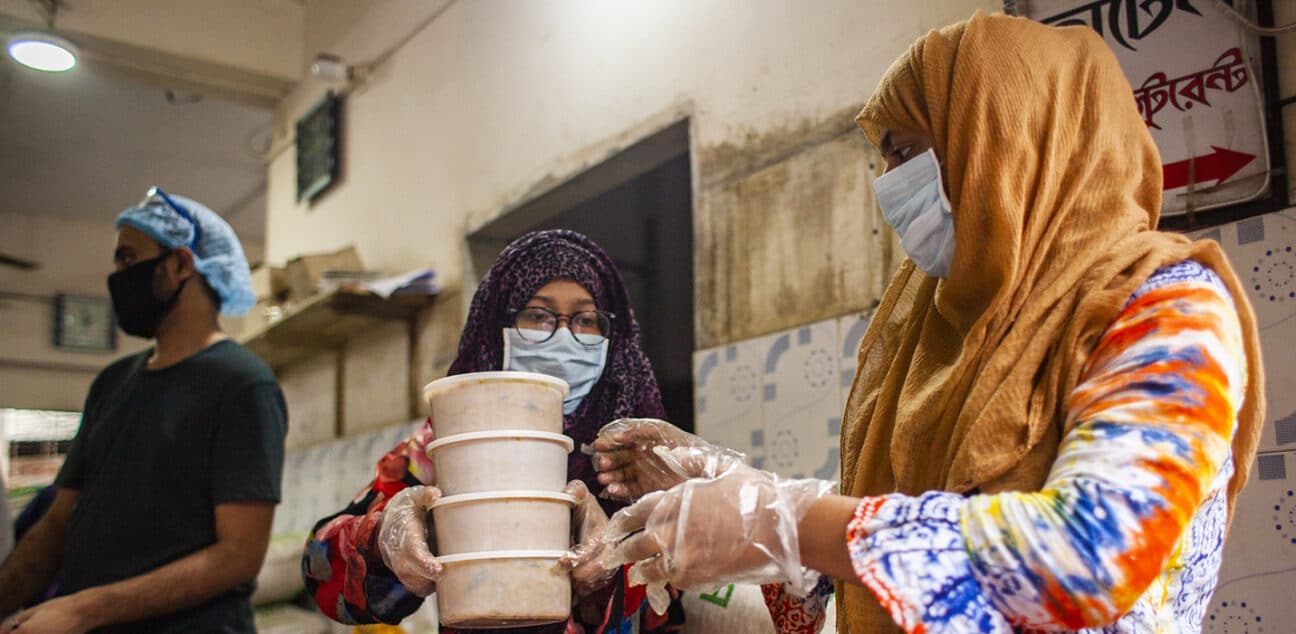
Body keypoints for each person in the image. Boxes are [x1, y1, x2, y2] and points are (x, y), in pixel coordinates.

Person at [585, 12, 1265, 634]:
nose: (888, 186)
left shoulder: (1165, 307)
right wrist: (728, 491)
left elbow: (1090, 556)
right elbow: (886, 560)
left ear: (1008, 139)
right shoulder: (939, 326)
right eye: (883, 159)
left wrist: (783, 520)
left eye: (907, 153)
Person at [302, 230, 686, 633]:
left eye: (586, 319)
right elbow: (320, 570)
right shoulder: (450, 443)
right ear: (496, 327)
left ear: (613, 337)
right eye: (538, 315)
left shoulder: (636, 455)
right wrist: (382, 541)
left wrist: (609, 571)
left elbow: (675, 602)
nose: (562, 336)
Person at [0, 188, 288, 633]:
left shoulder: (242, 383)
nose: (118, 276)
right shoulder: (112, 383)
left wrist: (82, 610)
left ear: (180, 265)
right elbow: (58, 522)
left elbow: (239, 556)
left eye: (128, 260)